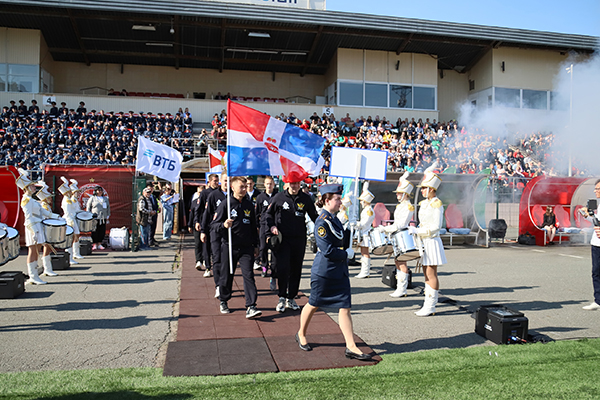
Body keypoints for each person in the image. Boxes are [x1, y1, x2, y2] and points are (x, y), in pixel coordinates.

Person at [296, 184, 372, 361]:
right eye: (337, 199)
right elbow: (328, 250)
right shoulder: (322, 221)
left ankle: (351, 346)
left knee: (345, 307)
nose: (340, 202)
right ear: (327, 200)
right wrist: (346, 253)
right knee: (313, 303)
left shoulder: (335, 219)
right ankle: (301, 333)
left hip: (339, 271)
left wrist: (350, 228)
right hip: (325, 272)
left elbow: (342, 240)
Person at [211, 176, 262, 318]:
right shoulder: (225, 204)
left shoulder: (249, 204)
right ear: (232, 187)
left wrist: (256, 245)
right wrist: (223, 225)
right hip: (229, 246)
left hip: (246, 247)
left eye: (246, 187)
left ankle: (251, 306)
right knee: (227, 275)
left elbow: (253, 227)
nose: (245, 189)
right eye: (242, 187)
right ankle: (224, 300)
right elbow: (213, 225)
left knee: (249, 275)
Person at [266, 177, 318, 313]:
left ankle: (291, 297)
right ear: (288, 184)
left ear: (300, 184)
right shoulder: (278, 197)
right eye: (292, 183)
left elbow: (314, 216)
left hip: (299, 240)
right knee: (283, 269)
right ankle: (282, 297)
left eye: (297, 183)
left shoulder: (305, 198)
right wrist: (272, 227)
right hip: (283, 240)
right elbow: (268, 215)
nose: (294, 186)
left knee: (296, 269)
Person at [408, 162, 446, 316]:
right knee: (426, 273)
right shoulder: (424, 203)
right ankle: (427, 303)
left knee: (431, 273)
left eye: (424, 188)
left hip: (432, 241)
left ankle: (431, 306)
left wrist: (418, 230)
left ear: (432, 189)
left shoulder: (437, 204)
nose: (422, 191)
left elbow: (436, 226)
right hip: (424, 241)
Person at [16, 169, 61, 284]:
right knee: (32, 251)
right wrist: (34, 230)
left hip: (38, 225)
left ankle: (35, 276)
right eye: (32, 186)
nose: (34, 188)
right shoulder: (25, 200)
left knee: (37, 251)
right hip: (33, 227)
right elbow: (28, 217)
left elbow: (43, 212)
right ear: (26, 188)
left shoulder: (33, 200)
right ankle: (33, 276)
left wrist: (57, 217)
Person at [381, 172, 415, 297]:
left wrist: (385, 229)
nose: (397, 195)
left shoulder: (408, 206)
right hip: (397, 235)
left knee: (401, 261)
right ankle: (400, 287)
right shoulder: (401, 206)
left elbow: (400, 224)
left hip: (403, 235)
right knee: (397, 261)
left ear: (405, 194)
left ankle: (402, 288)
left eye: (399, 193)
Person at [201, 172, 229, 295]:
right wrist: (203, 230)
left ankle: (226, 284)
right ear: (220, 182)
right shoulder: (213, 195)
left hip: (230, 233)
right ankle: (218, 285)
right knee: (217, 258)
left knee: (227, 261)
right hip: (216, 231)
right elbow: (207, 214)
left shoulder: (234, 196)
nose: (227, 183)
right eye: (225, 181)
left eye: (229, 181)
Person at [581, 180, 600, 310]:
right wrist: (586, 215)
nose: (595, 191)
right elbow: (597, 222)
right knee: (596, 272)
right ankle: (598, 300)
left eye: (598, 188)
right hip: (596, 242)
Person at [255, 176, 277, 283]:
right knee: (263, 248)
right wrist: (257, 226)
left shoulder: (277, 196)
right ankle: (264, 266)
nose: (269, 186)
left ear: (273, 184)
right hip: (263, 225)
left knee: (273, 248)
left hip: (274, 226)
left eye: (271, 183)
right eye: (267, 184)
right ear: (264, 184)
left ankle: (273, 269)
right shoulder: (260, 197)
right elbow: (257, 213)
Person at [196, 174, 220, 273]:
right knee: (206, 246)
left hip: (218, 223)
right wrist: (197, 221)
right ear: (209, 182)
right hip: (207, 223)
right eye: (214, 181)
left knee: (217, 247)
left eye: (217, 181)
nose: (216, 183)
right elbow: (199, 209)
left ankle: (218, 266)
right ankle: (208, 267)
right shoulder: (205, 193)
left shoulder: (221, 193)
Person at [59, 177, 84, 263]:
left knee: (76, 235)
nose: (73, 193)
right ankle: (69, 257)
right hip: (69, 219)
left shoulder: (70, 200)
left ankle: (75, 253)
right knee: (70, 238)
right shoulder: (67, 200)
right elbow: (69, 212)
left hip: (72, 218)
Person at [354, 182, 375, 278]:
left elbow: (364, 224)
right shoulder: (366, 209)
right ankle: (364, 270)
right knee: (363, 252)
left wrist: (356, 224)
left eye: (362, 201)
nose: (361, 202)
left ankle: (365, 271)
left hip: (366, 233)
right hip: (363, 233)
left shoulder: (369, 211)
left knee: (365, 253)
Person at [86, 186, 110, 250]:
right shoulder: (92, 198)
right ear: (96, 191)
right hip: (95, 217)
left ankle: (99, 243)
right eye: (98, 190)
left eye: (101, 190)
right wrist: (89, 215)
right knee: (95, 230)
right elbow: (88, 207)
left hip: (103, 217)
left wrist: (107, 215)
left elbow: (108, 207)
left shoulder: (105, 198)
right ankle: (94, 244)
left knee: (102, 230)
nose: (100, 192)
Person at [147, 182, 160, 246]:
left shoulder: (153, 196)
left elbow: (156, 203)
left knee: (154, 227)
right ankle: (150, 241)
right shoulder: (147, 197)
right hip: (150, 214)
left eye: (152, 188)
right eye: (150, 188)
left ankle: (152, 239)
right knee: (150, 228)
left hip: (155, 213)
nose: (151, 190)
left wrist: (158, 208)